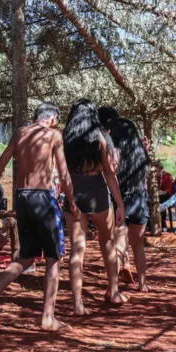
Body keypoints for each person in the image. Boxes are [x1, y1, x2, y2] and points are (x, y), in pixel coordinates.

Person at [0, 102, 78, 332]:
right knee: (54, 256)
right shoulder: (53, 135)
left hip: (22, 197)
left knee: (28, 255)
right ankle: (48, 317)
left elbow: (0, 167)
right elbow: (63, 173)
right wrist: (73, 203)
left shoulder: (20, 133)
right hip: (43, 197)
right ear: (52, 118)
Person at [62, 99, 127, 314]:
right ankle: (114, 291)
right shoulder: (100, 137)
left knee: (77, 248)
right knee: (107, 241)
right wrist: (119, 203)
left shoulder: (65, 137)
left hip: (74, 190)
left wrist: (68, 196)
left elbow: (61, 172)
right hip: (96, 191)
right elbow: (109, 173)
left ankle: (78, 303)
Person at [109, 118, 151, 292]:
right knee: (138, 244)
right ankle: (143, 284)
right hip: (140, 200)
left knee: (118, 241)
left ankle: (114, 285)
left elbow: (112, 174)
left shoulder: (115, 152)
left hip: (120, 199)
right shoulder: (141, 153)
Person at [156, 161, 175, 231]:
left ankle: (163, 224)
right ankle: (149, 224)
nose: (156, 173)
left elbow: (169, 190)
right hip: (153, 195)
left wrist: (162, 192)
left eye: (157, 171)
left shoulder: (167, 175)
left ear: (161, 170)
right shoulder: (150, 176)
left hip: (165, 196)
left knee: (161, 200)